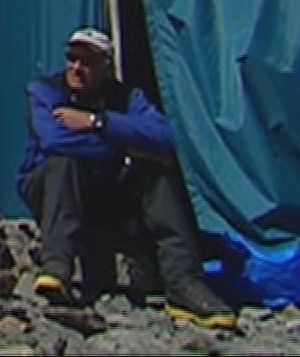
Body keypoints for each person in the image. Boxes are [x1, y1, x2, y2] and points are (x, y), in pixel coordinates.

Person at [17, 27, 237, 329]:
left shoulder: (126, 98)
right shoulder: (45, 91)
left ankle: (184, 282)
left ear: (106, 67)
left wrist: (99, 122)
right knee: (64, 163)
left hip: (106, 193)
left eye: (87, 62)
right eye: (72, 58)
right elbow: (55, 140)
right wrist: (123, 149)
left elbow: (165, 136)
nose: (76, 68)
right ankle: (57, 266)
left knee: (156, 172)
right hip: (51, 190)